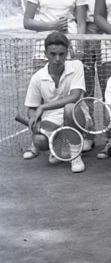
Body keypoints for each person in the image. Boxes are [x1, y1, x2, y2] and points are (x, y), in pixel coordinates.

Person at [22, 32, 86, 173]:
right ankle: (59, 146)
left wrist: (43, 106)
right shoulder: (37, 78)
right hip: (52, 118)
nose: (57, 59)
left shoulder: (77, 65)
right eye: (53, 54)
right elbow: (31, 108)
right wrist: (35, 120)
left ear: (67, 53)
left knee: (69, 108)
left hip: (77, 114)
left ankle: (75, 155)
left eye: (61, 54)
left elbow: (74, 97)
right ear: (45, 54)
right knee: (39, 141)